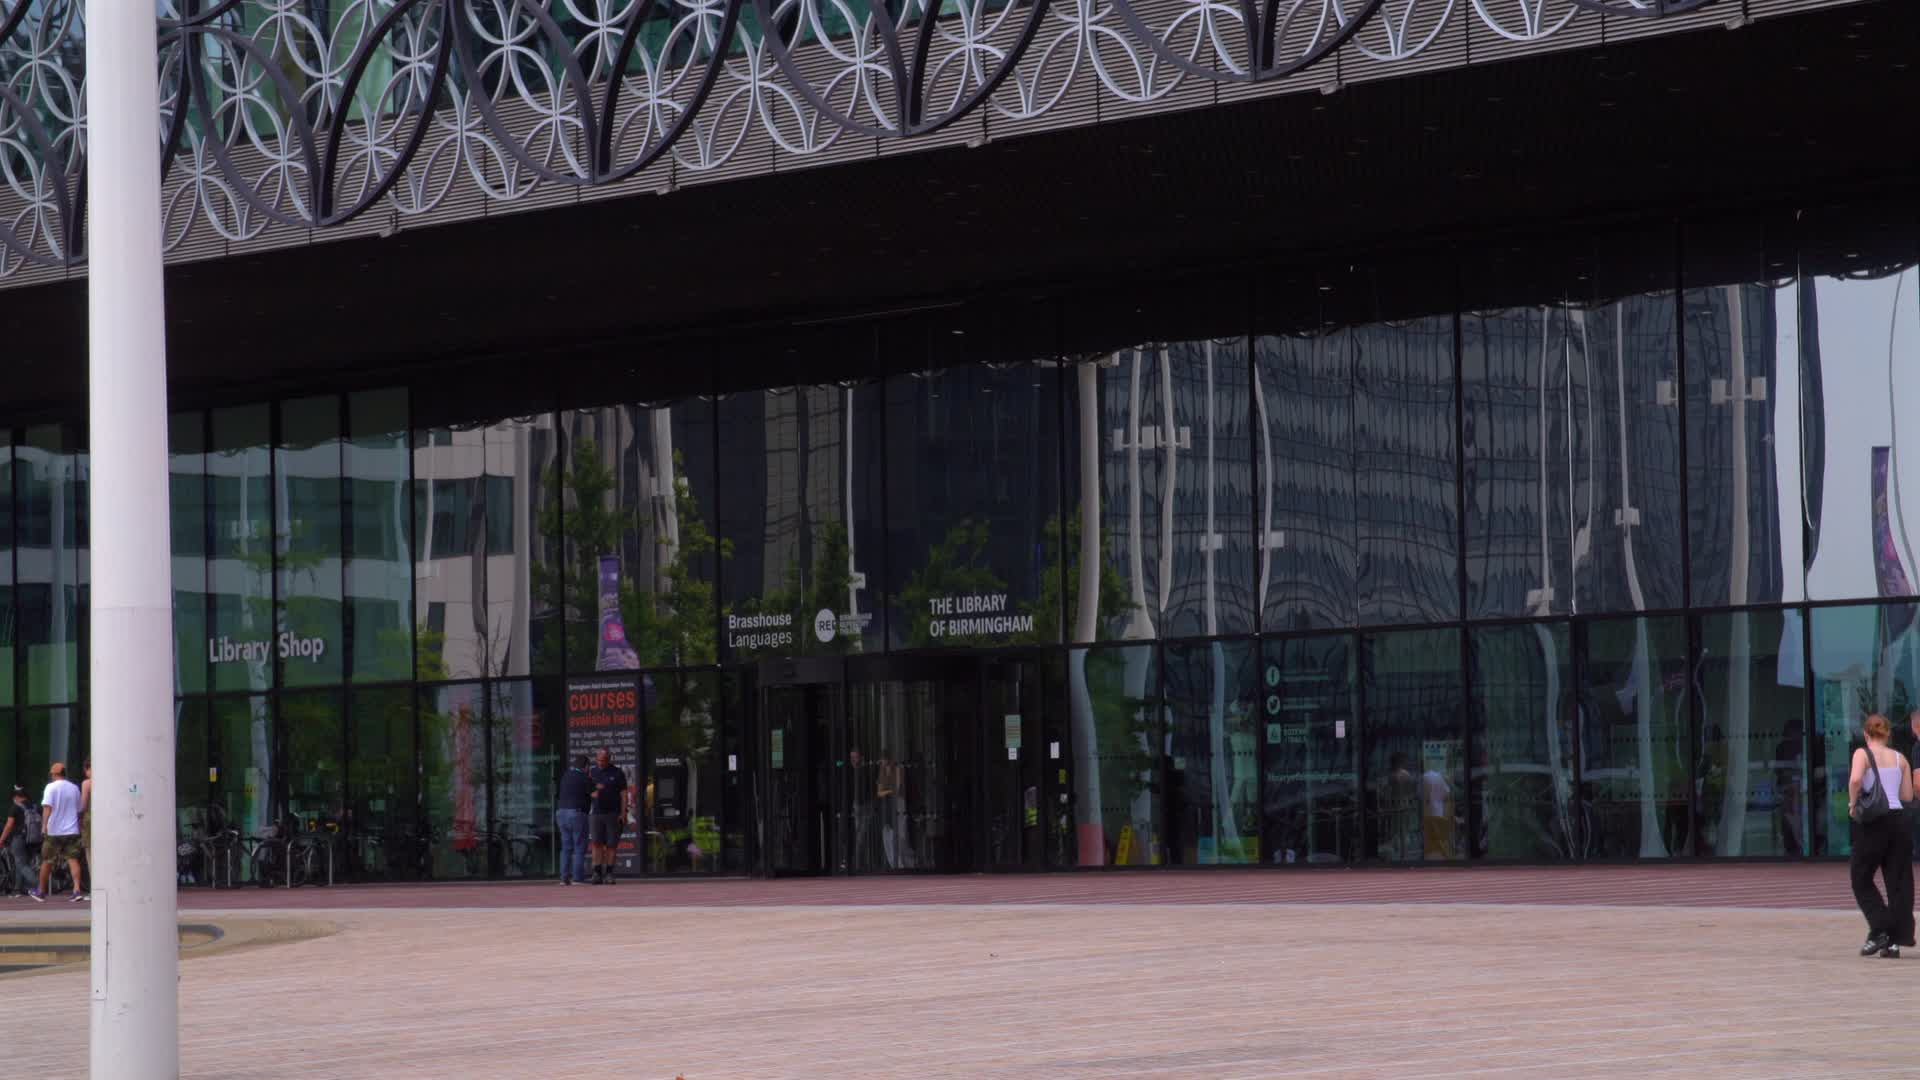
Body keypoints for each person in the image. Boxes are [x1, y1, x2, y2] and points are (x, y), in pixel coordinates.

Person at [1849, 714, 1915, 958]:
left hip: (1874, 823)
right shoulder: (1900, 758)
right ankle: (1896, 941)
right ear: (1888, 734)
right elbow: (1907, 796)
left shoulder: (1862, 754)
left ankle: (1881, 927)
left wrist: (1852, 803)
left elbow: (1856, 779)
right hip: (1899, 822)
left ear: (1866, 734)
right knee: (1898, 882)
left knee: (1860, 876)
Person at [32, 762, 84, 903]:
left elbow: (47, 808)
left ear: (54, 774)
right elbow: (79, 810)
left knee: (47, 861)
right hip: (72, 830)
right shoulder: (74, 788)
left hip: (54, 831)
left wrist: (44, 826)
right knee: (73, 860)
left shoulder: (51, 787)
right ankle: (77, 889)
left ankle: (41, 891)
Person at [586, 749, 630, 885]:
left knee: (611, 845)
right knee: (596, 843)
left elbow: (623, 794)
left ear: (609, 759)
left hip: (613, 813)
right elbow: (586, 790)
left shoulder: (617, 772)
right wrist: (593, 792)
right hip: (596, 813)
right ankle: (597, 873)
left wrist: (623, 813)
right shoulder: (592, 772)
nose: (601, 763)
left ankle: (609, 873)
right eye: (598, 760)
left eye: (603, 760)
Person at [556, 755, 592, 886]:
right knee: (579, 846)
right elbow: (594, 794)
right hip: (576, 813)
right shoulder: (584, 777)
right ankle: (578, 878)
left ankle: (564, 878)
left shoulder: (566, 775)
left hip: (561, 813)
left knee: (566, 847)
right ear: (586, 766)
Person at [3, 785, 37, 895]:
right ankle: (18, 889)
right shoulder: (34, 806)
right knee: (22, 863)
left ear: (16, 796)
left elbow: (9, 826)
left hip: (19, 838)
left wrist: (1, 839)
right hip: (33, 839)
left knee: (21, 864)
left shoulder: (15, 807)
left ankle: (38, 885)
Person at [79, 758, 92, 894]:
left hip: (90, 821)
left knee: (90, 854)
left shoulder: (87, 783)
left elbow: (83, 805)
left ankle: (95, 887)